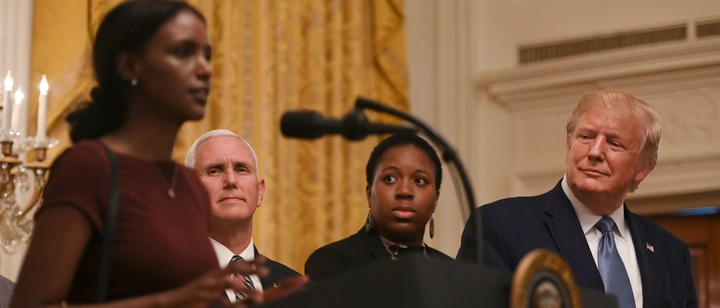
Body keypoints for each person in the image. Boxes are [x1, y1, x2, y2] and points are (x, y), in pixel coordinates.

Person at [11, 1, 304, 307]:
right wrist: (166, 302)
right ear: (130, 66)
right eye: (182, 52)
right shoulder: (90, 167)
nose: (204, 69)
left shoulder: (189, 185)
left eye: (206, 55)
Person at [457, 90, 697, 307]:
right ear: (569, 146)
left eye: (614, 143)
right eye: (586, 137)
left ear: (642, 168)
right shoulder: (501, 225)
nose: (594, 152)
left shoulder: (671, 253)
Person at [304, 132, 453, 282]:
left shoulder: (452, 272)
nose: (405, 191)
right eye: (390, 178)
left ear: (435, 200)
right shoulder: (333, 262)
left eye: (419, 181)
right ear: (369, 194)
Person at [185, 129, 302, 301]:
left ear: (260, 191)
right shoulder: (166, 286)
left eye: (241, 169)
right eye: (214, 171)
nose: (231, 180)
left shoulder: (300, 290)